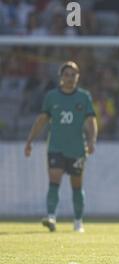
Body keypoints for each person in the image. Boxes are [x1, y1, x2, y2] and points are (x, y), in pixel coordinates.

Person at [24, 61, 98, 233]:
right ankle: (51, 216)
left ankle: (78, 221)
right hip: (56, 147)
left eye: (73, 75)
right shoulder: (51, 97)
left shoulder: (84, 97)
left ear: (78, 77)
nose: (70, 78)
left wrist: (92, 140)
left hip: (77, 148)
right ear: (61, 77)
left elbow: (91, 121)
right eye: (66, 75)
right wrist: (30, 140)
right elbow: (42, 119)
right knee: (54, 179)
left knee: (77, 185)